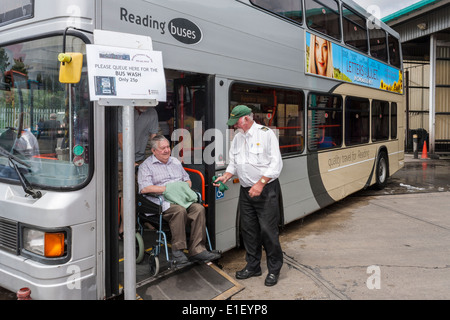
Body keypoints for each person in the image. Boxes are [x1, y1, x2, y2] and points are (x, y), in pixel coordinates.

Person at [214, 105, 283, 286]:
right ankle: (253, 266)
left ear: (246, 119)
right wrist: (227, 176)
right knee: (249, 230)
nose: (234, 126)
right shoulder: (237, 138)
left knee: (268, 231)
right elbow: (234, 163)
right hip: (246, 191)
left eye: (236, 122)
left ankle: (274, 269)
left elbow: (276, 164)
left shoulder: (266, 134)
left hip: (266, 189)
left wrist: (260, 184)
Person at [138, 135, 220, 263]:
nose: (167, 150)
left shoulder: (175, 161)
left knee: (198, 208)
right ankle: (178, 251)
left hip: (181, 198)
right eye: (162, 148)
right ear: (154, 151)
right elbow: (145, 188)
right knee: (179, 210)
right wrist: (170, 189)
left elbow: (187, 180)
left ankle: (197, 250)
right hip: (161, 202)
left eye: (167, 147)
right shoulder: (146, 166)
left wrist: (180, 189)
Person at [118, 106, 159, 237]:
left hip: (140, 158)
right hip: (121, 158)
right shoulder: (122, 110)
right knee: (127, 191)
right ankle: (124, 228)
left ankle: (143, 219)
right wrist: (130, 161)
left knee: (145, 188)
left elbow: (154, 138)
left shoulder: (152, 112)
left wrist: (158, 157)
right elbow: (120, 138)